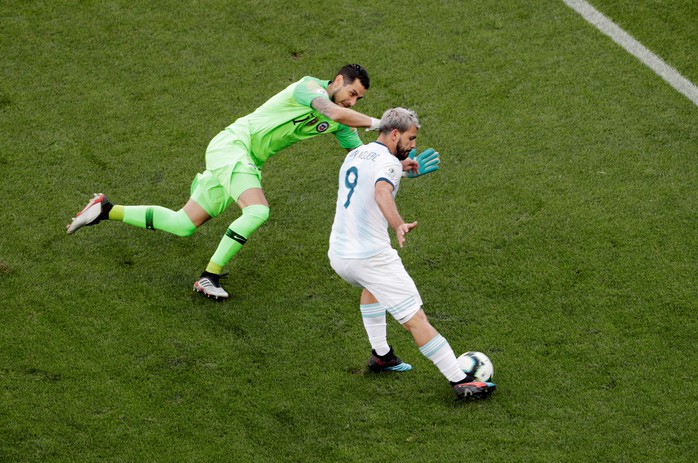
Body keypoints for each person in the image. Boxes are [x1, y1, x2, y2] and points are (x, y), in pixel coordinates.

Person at [67, 64, 436, 300]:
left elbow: (361, 157)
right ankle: (208, 276)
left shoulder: (342, 122)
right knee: (258, 209)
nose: (354, 100)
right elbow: (335, 110)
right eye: (353, 93)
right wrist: (382, 125)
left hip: (244, 160)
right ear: (337, 81)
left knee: (183, 224)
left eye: (360, 98)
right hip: (233, 147)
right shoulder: (308, 87)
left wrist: (400, 164)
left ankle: (105, 209)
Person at [328, 107, 495, 400]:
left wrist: (402, 169)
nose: (414, 145)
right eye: (411, 138)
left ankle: (382, 355)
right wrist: (398, 224)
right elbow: (381, 192)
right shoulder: (389, 166)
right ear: (395, 134)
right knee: (415, 318)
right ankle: (461, 381)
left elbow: (372, 180)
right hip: (372, 257)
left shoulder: (356, 154)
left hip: (340, 256)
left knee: (372, 287)